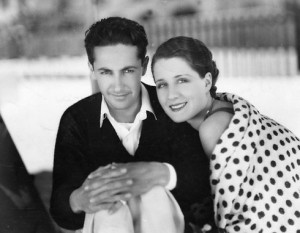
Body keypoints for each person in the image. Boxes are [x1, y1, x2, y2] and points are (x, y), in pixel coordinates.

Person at [50, 18, 215, 233]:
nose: (117, 86)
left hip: (169, 224)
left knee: (153, 194)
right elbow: (60, 208)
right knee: (110, 207)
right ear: (91, 69)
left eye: (127, 70)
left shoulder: (171, 104)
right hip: (107, 224)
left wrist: (161, 174)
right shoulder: (77, 118)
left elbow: (206, 181)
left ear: (144, 66)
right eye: (106, 72)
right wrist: (79, 200)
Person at [151, 36, 300, 232]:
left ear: (206, 82)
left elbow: (232, 212)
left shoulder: (212, 127)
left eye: (182, 80)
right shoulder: (222, 109)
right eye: (162, 84)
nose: (171, 94)